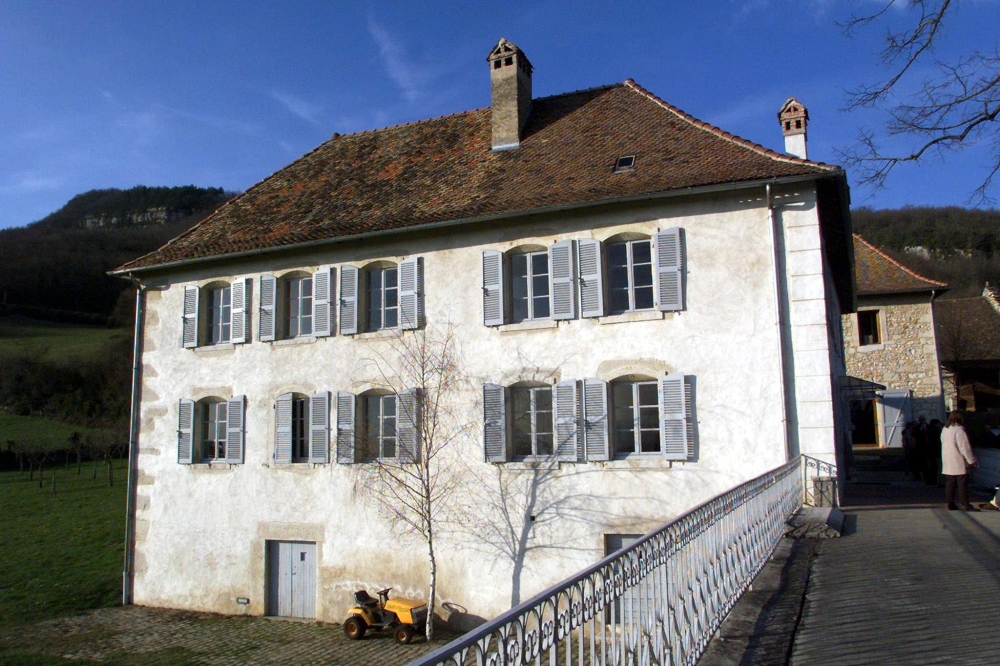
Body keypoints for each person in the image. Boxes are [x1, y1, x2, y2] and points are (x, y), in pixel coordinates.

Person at [940, 410, 979, 511]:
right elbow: (965, 447)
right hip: (958, 460)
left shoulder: (945, 429)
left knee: (950, 484)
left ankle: (950, 503)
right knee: (962, 484)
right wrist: (971, 460)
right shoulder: (959, 430)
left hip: (947, 460)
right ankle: (965, 504)